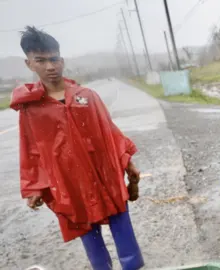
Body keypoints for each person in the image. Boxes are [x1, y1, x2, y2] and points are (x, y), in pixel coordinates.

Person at [10, 26, 144, 270]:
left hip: (105, 173)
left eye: (53, 59)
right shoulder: (31, 109)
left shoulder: (86, 96)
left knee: (120, 220)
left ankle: (132, 266)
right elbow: (30, 148)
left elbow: (110, 132)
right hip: (70, 180)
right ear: (29, 63)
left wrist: (128, 162)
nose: (50, 67)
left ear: (61, 60)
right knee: (85, 225)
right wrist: (34, 187)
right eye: (40, 60)